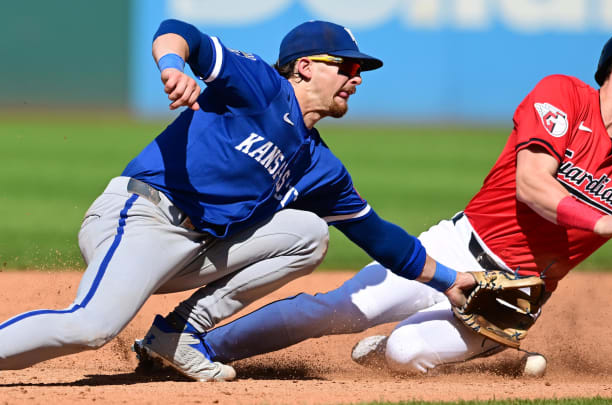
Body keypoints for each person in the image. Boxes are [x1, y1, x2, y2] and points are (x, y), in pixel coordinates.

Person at [185, 26, 612, 375]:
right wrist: (597, 221)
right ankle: (200, 347)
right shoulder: (562, 94)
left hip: (510, 297)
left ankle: (479, 355)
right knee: (333, 310)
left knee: (407, 354)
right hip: (452, 250)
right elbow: (533, 185)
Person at [0, 19, 479, 381]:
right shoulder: (260, 86)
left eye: (360, 70)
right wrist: (173, 67)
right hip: (144, 215)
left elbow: (379, 237)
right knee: (91, 327)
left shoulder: (321, 166)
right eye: (348, 66)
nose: (357, 77)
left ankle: (178, 334)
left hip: (192, 248)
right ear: (306, 67)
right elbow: (176, 32)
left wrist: (453, 281)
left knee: (309, 234)